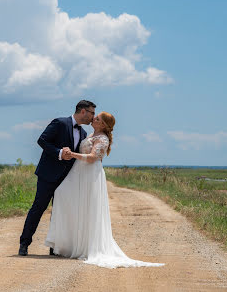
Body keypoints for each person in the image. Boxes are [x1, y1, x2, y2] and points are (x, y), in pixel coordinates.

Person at [45, 112, 165, 269]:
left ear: (102, 124)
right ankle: (67, 243)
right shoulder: (91, 134)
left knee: (88, 207)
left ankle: (85, 246)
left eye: (97, 118)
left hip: (90, 175)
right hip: (78, 172)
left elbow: (93, 157)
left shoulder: (102, 138)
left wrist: (72, 154)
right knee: (61, 194)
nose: (93, 118)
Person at [19, 100, 96, 256]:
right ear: (83, 111)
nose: (93, 117)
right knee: (38, 208)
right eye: (92, 113)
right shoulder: (60, 123)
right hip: (48, 175)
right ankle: (24, 244)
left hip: (67, 179)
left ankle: (55, 247)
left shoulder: (83, 134)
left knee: (60, 212)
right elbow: (42, 140)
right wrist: (59, 152)